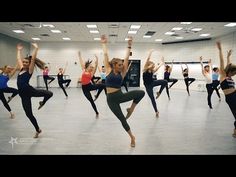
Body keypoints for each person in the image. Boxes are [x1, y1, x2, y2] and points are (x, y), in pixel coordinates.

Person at [101, 35, 145, 147]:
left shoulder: (122, 72)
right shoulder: (108, 70)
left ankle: (131, 108)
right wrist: (104, 44)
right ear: (114, 65)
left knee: (141, 93)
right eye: (119, 65)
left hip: (120, 95)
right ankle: (132, 137)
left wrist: (129, 45)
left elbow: (126, 59)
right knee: (122, 119)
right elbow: (106, 55)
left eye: (122, 65)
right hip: (111, 100)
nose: (122, 66)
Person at [16, 43, 53, 138]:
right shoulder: (21, 69)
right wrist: (19, 50)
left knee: (49, 93)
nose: (24, 63)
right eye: (23, 62)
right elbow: (18, 60)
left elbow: (32, 59)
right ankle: (38, 129)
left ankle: (42, 102)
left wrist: (36, 49)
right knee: (28, 114)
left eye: (26, 62)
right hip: (23, 95)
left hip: (30, 91)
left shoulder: (29, 70)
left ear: (29, 64)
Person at [216, 41, 236, 137]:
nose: (234, 74)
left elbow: (228, 64)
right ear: (230, 71)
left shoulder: (229, 77)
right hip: (231, 98)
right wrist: (220, 50)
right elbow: (222, 62)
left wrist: (228, 56)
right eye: (234, 73)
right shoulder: (223, 76)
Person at [78, 51, 106, 117]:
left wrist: (97, 60)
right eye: (90, 66)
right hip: (85, 89)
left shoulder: (91, 73)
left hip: (90, 86)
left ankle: (98, 95)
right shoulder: (84, 70)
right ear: (87, 67)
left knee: (103, 85)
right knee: (91, 101)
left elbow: (95, 67)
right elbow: (81, 63)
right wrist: (79, 56)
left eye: (92, 67)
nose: (92, 67)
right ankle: (96, 112)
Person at [143, 49, 166, 117]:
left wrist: (162, 62)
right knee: (152, 99)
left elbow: (158, 67)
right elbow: (147, 60)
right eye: (152, 65)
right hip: (148, 86)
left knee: (165, 82)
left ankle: (159, 92)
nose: (153, 66)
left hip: (153, 82)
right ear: (149, 65)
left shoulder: (152, 71)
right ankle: (156, 111)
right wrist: (150, 53)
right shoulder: (145, 69)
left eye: (153, 65)